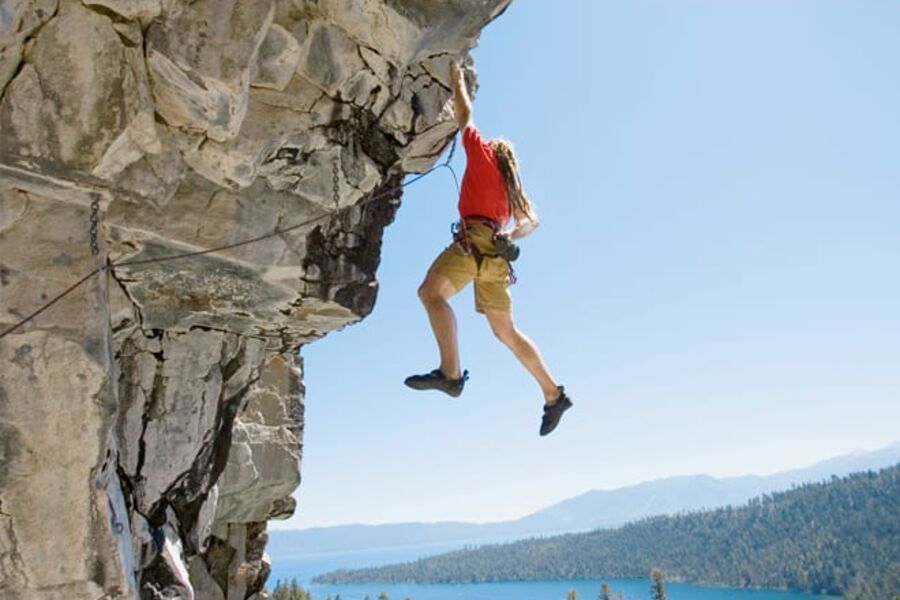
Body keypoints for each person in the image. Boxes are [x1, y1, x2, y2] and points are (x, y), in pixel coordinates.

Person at [404, 62, 573, 437]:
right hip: (496, 253)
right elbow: (532, 221)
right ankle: (552, 393)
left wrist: (456, 80)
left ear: (493, 151)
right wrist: (511, 238)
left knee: (430, 294)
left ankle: (450, 373)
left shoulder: (482, 155)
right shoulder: (512, 190)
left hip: (472, 242)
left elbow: (466, 117)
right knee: (506, 332)